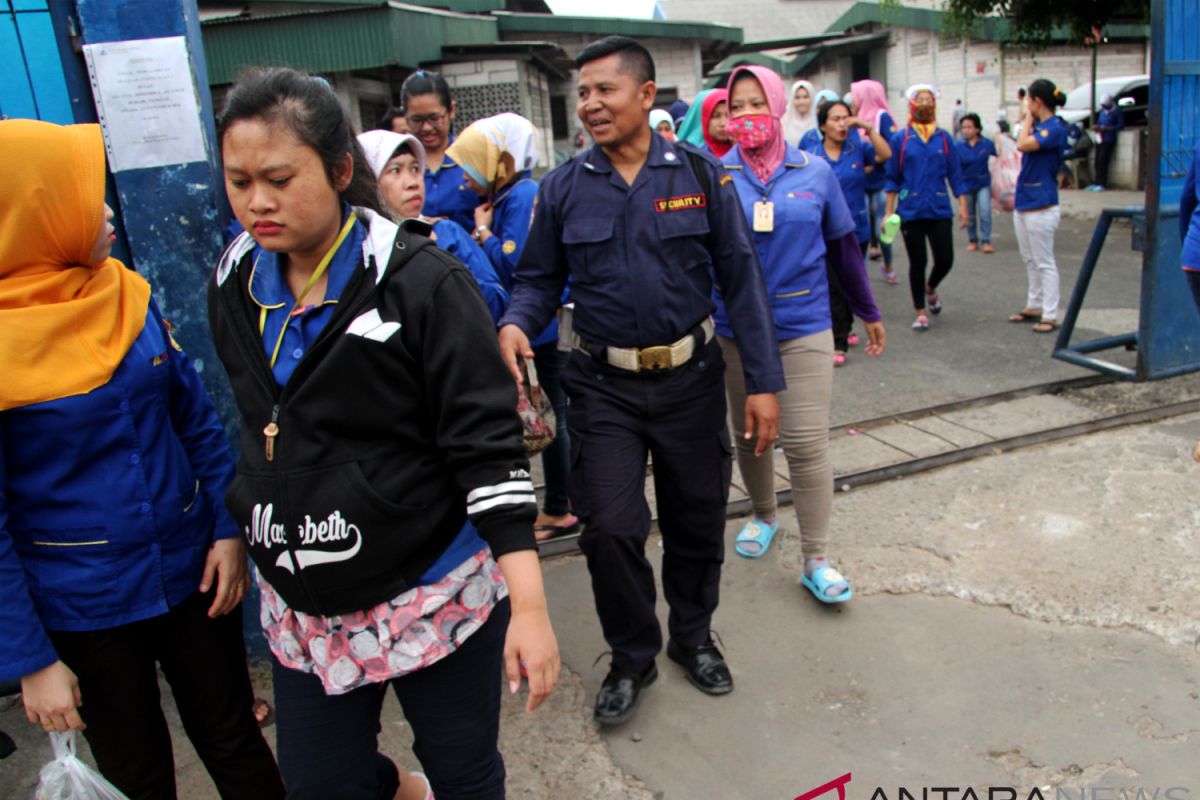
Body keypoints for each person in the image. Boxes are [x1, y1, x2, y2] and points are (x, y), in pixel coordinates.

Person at [210, 67, 559, 799]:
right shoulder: (234, 281)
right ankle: (401, 788)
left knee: (464, 770)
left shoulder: (421, 282)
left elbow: (484, 447)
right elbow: (256, 422)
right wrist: (237, 524)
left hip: (430, 587)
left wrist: (528, 605)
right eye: (239, 182)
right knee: (321, 785)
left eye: (278, 177)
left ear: (341, 172)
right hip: (305, 601)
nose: (257, 202)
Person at [496, 36, 783, 727]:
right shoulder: (564, 187)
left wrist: (764, 383)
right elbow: (537, 279)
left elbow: (741, 280)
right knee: (613, 529)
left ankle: (692, 636)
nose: (589, 104)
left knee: (696, 521)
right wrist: (513, 323)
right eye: (583, 93)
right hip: (603, 386)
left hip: (691, 381)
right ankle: (633, 656)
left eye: (604, 90)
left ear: (646, 95)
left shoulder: (699, 176)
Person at [0, 119, 284, 799]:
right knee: (138, 772)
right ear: (34, 212)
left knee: (234, 739)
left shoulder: (125, 295)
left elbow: (195, 422)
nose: (102, 210)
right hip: (85, 604)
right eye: (80, 195)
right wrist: (31, 660)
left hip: (193, 572)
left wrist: (225, 528)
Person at [720, 66, 885, 599]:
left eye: (754, 103)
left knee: (806, 442)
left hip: (804, 322)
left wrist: (868, 310)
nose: (745, 116)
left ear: (776, 105)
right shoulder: (714, 175)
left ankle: (815, 555)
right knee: (749, 434)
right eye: (735, 106)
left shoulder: (815, 173)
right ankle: (764, 514)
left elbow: (843, 250)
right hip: (735, 330)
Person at [447, 114, 578, 541]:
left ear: (496, 162)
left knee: (549, 420)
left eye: (470, 167)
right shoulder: (506, 197)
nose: (464, 180)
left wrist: (483, 235)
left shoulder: (521, 198)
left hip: (534, 333)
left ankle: (559, 508)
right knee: (548, 417)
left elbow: (521, 269)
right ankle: (561, 503)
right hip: (527, 331)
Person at [357, 129, 509, 322]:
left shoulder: (445, 233)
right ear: (369, 182)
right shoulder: (361, 249)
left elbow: (496, 303)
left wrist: (442, 260)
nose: (413, 183)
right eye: (395, 170)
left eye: (415, 169)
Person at [803, 99, 892, 366]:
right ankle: (838, 340)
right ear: (822, 125)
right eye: (835, 119)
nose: (842, 124)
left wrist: (865, 126)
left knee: (853, 277)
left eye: (845, 118)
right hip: (821, 230)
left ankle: (849, 324)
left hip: (856, 228)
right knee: (833, 285)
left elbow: (885, 155)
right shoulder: (811, 152)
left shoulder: (857, 148)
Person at [884, 83, 969, 331]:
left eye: (929, 99)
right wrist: (889, 211)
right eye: (919, 99)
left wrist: (963, 205)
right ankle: (920, 311)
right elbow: (892, 177)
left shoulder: (944, 138)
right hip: (910, 209)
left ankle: (930, 287)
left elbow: (955, 173)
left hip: (939, 207)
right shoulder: (900, 138)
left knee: (945, 259)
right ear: (911, 104)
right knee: (917, 261)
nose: (924, 103)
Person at [1008, 78, 1068, 334]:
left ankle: (1050, 312)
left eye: (1029, 100)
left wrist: (1028, 119)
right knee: (1029, 258)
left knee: (1044, 261)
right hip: (1025, 202)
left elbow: (1022, 144)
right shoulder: (1042, 127)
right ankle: (1034, 304)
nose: (1026, 105)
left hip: (1042, 204)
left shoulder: (1054, 128)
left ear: (1037, 101)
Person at [401, 69, 478, 232]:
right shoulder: (397, 167)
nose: (427, 127)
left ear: (451, 110)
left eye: (434, 118)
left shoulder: (472, 159)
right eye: (417, 120)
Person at [851, 78, 900, 281]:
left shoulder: (882, 118)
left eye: (855, 96)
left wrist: (874, 161)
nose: (852, 101)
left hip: (881, 180)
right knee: (861, 225)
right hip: (861, 182)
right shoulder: (852, 119)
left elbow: (891, 148)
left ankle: (888, 266)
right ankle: (861, 274)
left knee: (883, 226)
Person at [955, 113, 998, 253]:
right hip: (967, 184)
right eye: (963, 128)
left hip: (983, 182)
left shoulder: (986, 144)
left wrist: (999, 137)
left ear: (977, 129)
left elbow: (998, 158)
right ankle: (973, 239)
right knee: (970, 213)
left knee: (985, 211)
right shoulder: (959, 146)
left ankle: (986, 240)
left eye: (969, 127)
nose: (966, 130)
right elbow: (955, 168)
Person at [1090, 93, 1124, 191]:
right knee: (1097, 161)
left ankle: (1102, 183)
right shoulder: (1102, 112)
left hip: (1109, 139)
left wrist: (1109, 129)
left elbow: (1120, 125)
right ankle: (1096, 182)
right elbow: (1100, 122)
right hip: (1100, 138)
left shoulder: (1116, 111)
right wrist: (1097, 127)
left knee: (1103, 161)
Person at [782, 79, 817, 147]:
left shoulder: (818, 121)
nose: (801, 102)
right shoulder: (784, 122)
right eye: (797, 97)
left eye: (805, 97)